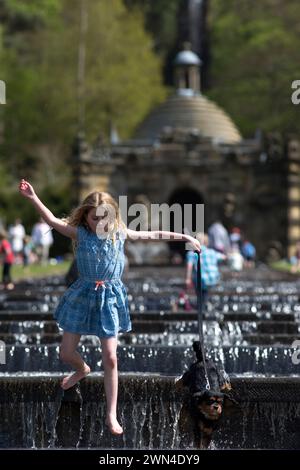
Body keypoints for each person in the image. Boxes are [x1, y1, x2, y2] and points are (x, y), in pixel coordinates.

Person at [19, 179, 201, 436]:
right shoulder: (79, 233)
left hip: (110, 298)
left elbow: (151, 235)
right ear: (85, 217)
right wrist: (33, 197)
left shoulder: (119, 233)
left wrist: (184, 237)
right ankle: (82, 369)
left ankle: (111, 414)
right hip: (83, 294)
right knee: (66, 354)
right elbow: (51, 221)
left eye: (104, 218)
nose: (99, 223)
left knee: (111, 358)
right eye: (94, 218)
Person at [185, 233, 225, 308]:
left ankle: (202, 305)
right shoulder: (212, 252)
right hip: (213, 279)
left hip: (201, 280)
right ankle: (206, 304)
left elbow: (190, 266)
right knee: (205, 293)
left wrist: (188, 279)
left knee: (200, 292)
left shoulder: (191, 253)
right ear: (207, 242)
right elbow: (223, 257)